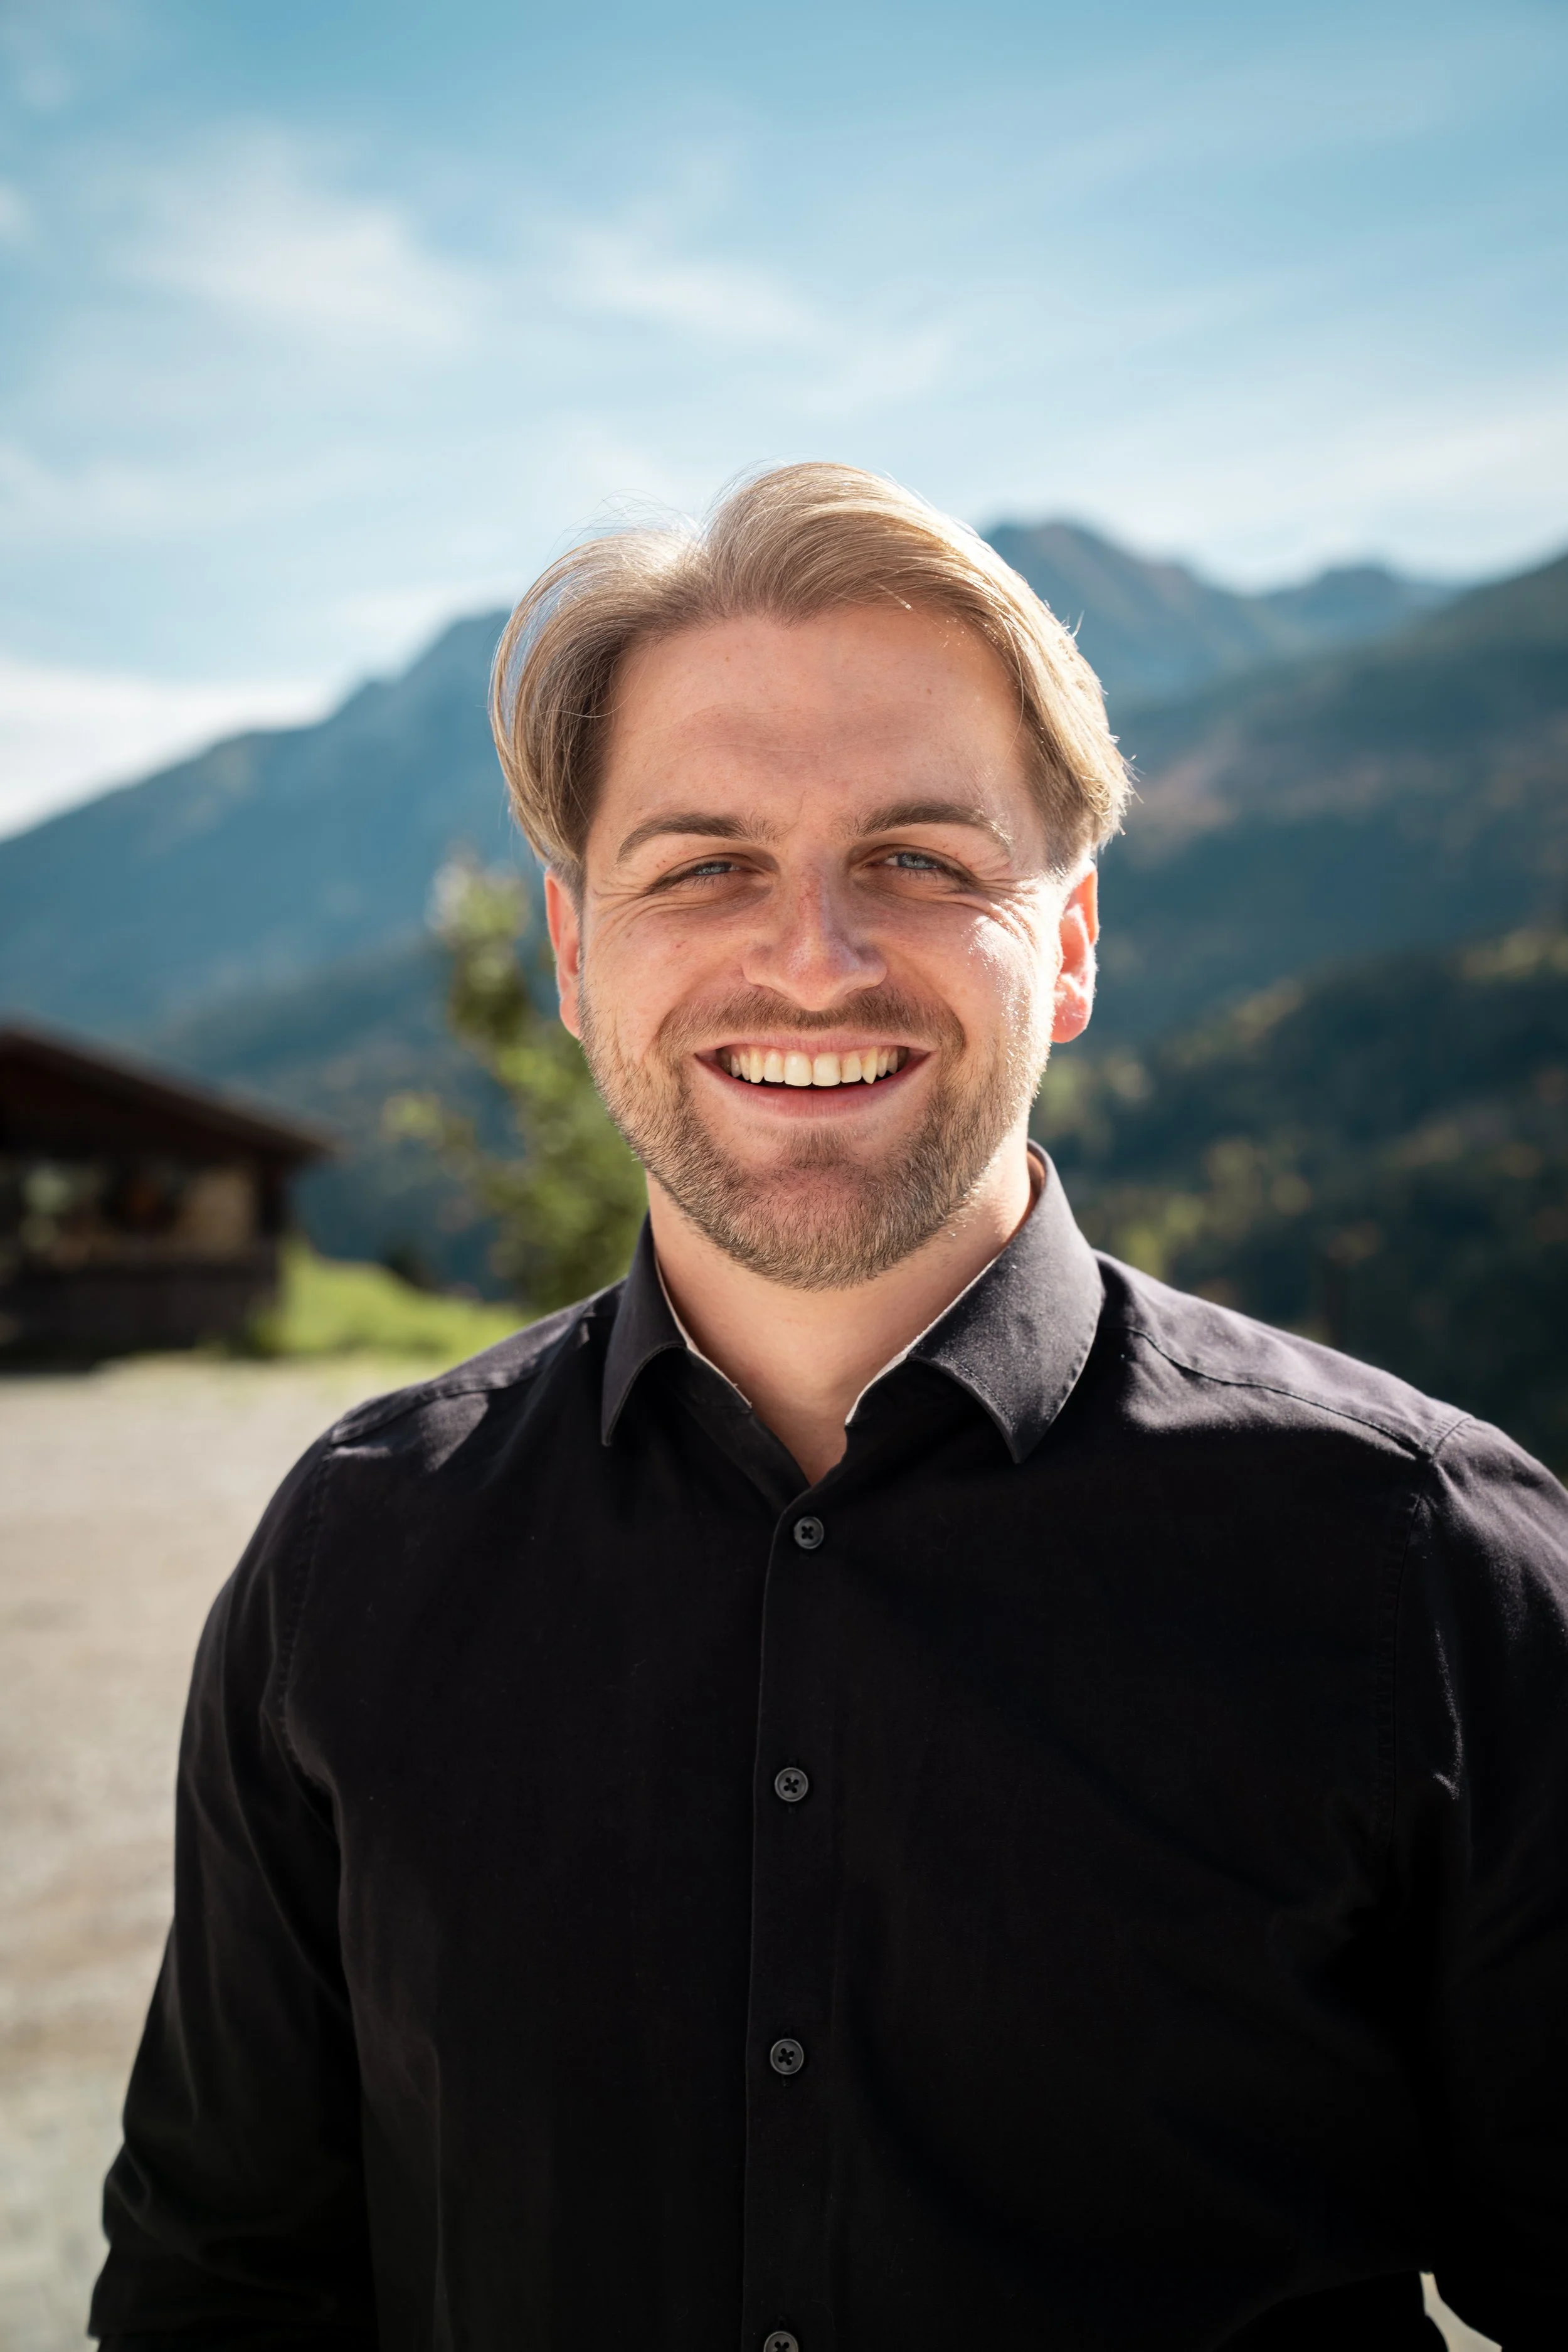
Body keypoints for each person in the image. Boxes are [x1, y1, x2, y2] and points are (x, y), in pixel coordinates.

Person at [91, 465, 1567, 2352]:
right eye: (703, 862)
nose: (810, 954)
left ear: (1073, 940)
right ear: (571, 951)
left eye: (923, 861)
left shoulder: (1418, 1560)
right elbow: (222, 2285)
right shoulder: (356, 1554)